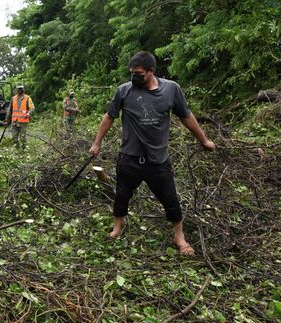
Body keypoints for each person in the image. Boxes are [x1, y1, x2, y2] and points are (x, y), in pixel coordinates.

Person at [88, 51, 216, 255]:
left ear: (151, 71)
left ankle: (179, 237)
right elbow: (109, 117)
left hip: (157, 160)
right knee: (121, 195)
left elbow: (186, 116)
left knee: (170, 199)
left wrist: (204, 140)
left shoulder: (171, 89)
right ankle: (117, 227)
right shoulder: (124, 91)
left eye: (138, 73)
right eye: (131, 73)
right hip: (129, 158)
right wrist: (96, 144)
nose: (134, 77)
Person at [4, 83, 35, 149]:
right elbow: (9, 110)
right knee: (14, 138)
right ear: (16, 90)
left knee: (23, 138)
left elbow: (32, 108)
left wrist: (29, 113)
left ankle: (24, 150)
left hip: (23, 121)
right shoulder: (13, 98)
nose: (20, 90)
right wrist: (7, 120)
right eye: (19, 89)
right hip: (14, 121)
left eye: (21, 88)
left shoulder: (27, 98)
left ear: (23, 89)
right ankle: (16, 150)